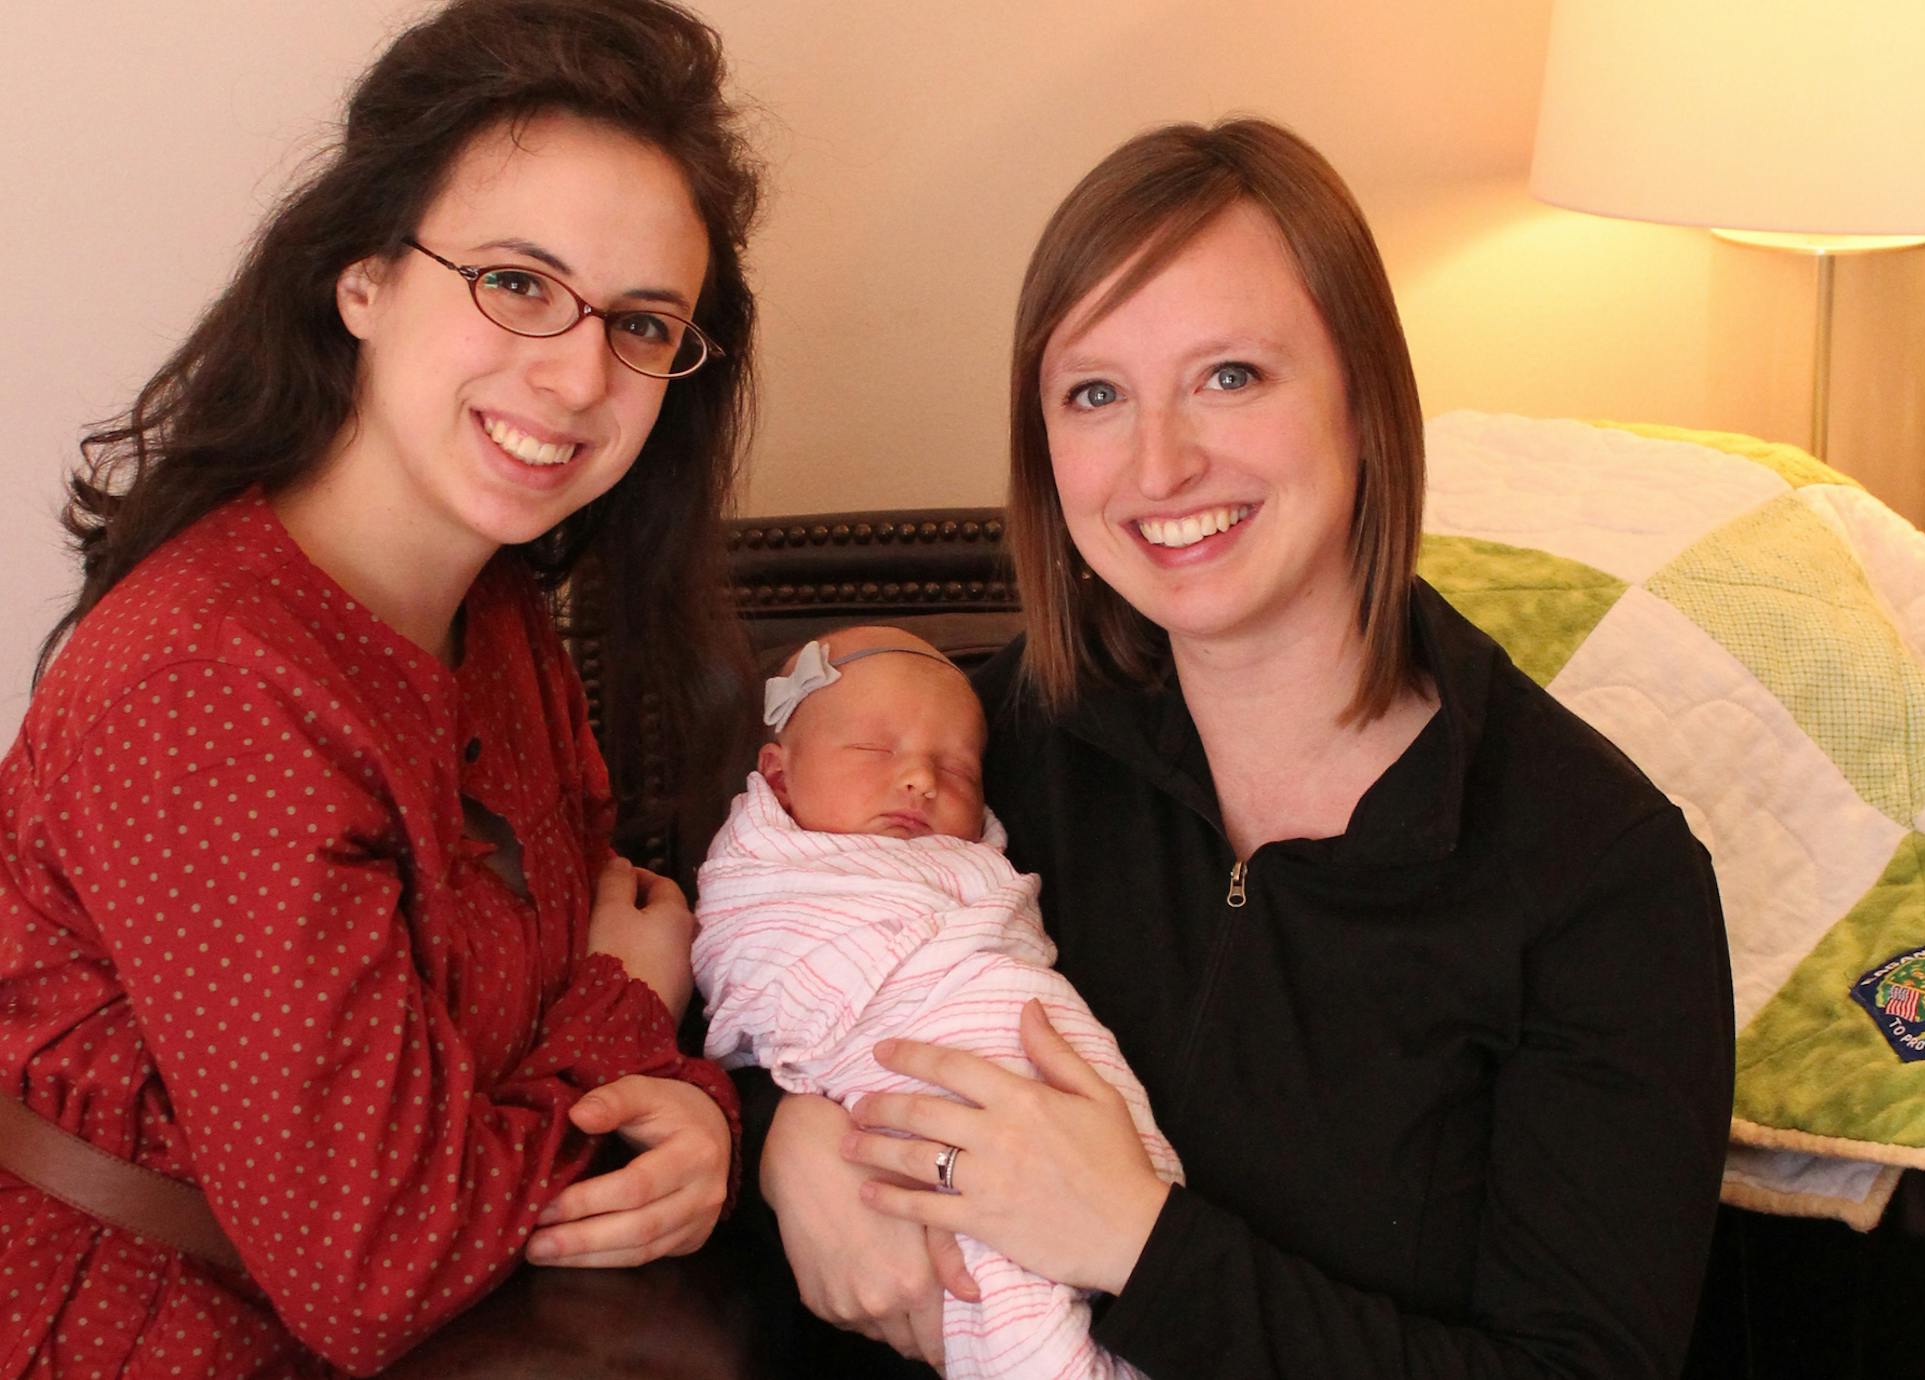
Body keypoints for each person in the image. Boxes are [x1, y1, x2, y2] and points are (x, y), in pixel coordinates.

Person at [753, 119, 1736, 1378]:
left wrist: (1139, 1244)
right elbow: (755, 950)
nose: (1161, 464)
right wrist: (788, 1148)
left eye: (1231, 376)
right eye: (1096, 394)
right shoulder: (985, 744)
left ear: (1366, 401)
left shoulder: (1600, 879)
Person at [0, 1, 760, 1374]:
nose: (581, 372)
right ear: (363, 275)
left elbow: (551, 993)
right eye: (517, 283)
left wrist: (680, 1109)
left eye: (642, 321)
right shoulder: (210, 684)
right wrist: (625, 1013)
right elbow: (380, 1264)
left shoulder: (502, 614)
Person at [694, 625, 1181, 1380]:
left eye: (958, 769)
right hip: (907, 1117)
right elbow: (743, 1004)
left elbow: (1003, 950)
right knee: (1002, 1281)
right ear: (779, 778)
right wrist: (785, 1136)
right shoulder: (760, 876)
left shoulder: (978, 859)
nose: (922, 779)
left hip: (1062, 1121)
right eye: (875, 751)